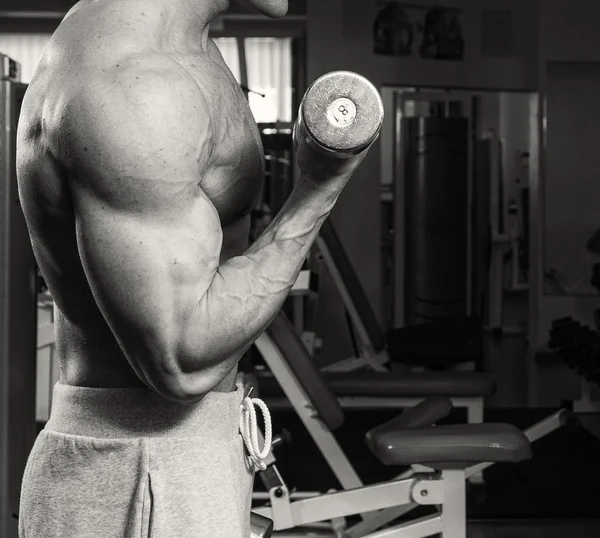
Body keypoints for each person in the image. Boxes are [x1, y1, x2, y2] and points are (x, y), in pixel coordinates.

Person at [16, 0, 369, 536]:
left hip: (171, 457)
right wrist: (318, 188)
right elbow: (182, 359)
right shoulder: (133, 84)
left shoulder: (184, 48)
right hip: (141, 471)